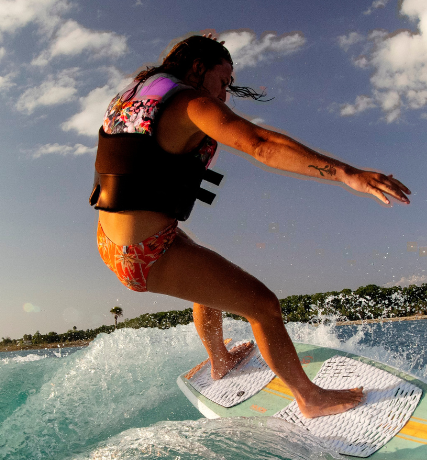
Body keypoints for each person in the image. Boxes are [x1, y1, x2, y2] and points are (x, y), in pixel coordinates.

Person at [90, 33, 410, 418]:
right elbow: (260, 143)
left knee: (207, 282)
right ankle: (310, 398)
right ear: (197, 68)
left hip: (113, 239)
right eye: (222, 83)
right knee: (264, 306)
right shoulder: (188, 103)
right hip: (143, 253)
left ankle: (220, 360)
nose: (223, 96)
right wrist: (345, 173)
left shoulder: (137, 93)